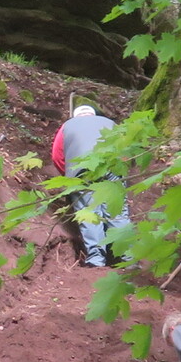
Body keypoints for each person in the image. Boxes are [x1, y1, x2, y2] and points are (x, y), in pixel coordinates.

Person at [51, 104, 120, 267]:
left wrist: (68, 176)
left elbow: (57, 156)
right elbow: (125, 151)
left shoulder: (67, 126)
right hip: (111, 169)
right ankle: (129, 258)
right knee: (117, 212)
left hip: (81, 171)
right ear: (93, 114)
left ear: (75, 116)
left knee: (89, 212)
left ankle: (96, 259)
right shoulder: (110, 123)